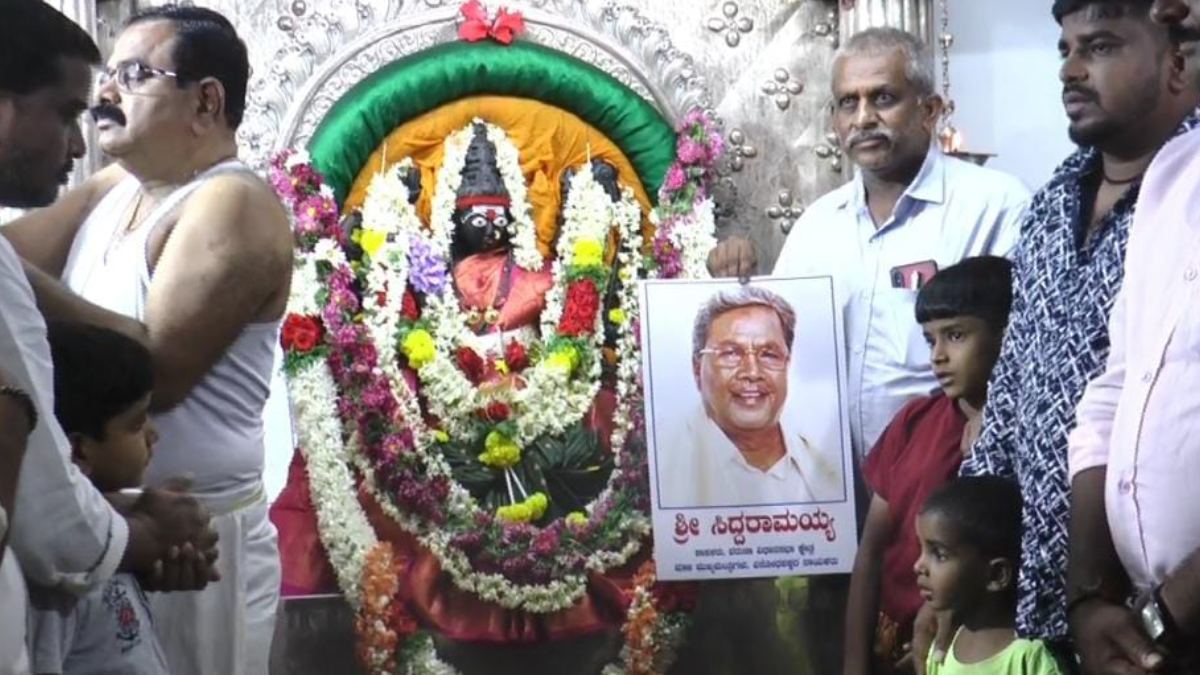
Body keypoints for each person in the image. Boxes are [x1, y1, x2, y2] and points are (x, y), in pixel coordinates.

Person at [2, 5, 292, 674]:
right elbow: (14, 255)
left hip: (190, 537)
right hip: (107, 517)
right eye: (108, 75)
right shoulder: (118, 186)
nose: (105, 94)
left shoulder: (233, 201)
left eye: (134, 74)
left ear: (206, 102)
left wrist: (6, 280)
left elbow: (156, 372)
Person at [956, 1, 1200, 667]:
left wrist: (1159, 608)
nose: (1070, 70)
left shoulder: (1177, 187)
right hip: (1047, 584)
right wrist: (968, 558)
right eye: (1064, 50)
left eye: (1100, 47)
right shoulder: (1050, 202)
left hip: (1160, 600)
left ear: (1176, 61)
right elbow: (1013, 386)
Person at [709, 27, 1027, 462]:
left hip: (949, 477)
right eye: (848, 102)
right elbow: (778, 345)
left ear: (929, 110)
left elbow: (1029, 348)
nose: (863, 118)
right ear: (834, 119)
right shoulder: (817, 225)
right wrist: (733, 284)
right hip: (825, 479)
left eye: (883, 98)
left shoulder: (995, 205)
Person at [1065, 5, 1200, 674]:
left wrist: (1170, 614)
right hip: (1145, 618)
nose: (1069, 69)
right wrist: (1090, 598)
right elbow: (1113, 391)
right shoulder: (1172, 175)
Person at [846, 257, 1013, 675]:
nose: (938, 356)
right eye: (929, 340)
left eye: (955, 336)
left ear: (1007, 335)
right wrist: (854, 663)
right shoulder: (914, 422)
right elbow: (871, 551)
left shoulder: (1022, 437)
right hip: (890, 646)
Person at [30, 322, 168, 675]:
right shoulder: (58, 577)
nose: (153, 434)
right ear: (78, 450)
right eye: (136, 424)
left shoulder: (119, 531)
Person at [658, 285, 842, 507]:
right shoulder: (665, 471)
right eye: (731, 353)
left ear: (787, 364)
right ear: (697, 369)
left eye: (769, 355)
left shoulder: (828, 475)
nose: (752, 372)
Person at [915, 477, 1066, 675]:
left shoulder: (1030, 657)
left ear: (996, 575)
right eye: (922, 550)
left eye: (939, 555)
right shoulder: (943, 648)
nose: (918, 566)